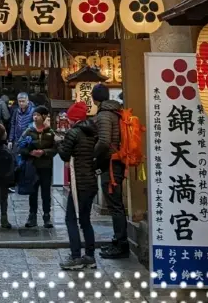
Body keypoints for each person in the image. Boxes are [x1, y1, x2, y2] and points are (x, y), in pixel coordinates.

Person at [57, 101, 99, 270]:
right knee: (85, 220)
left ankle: (75, 256)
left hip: (78, 183)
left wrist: (58, 142)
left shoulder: (73, 133)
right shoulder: (93, 132)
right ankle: (90, 256)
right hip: (90, 181)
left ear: (73, 118)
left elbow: (64, 155)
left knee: (71, 219)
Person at [92, 83, 129, 259]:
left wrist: (94, 157)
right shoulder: (115, 112)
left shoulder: (104, 115)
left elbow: (104, 141)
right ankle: (118, 240)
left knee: (115, 205)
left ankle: (121, 245)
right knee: (116, 204)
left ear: (94, 99)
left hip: (111, 164)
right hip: (116, 162)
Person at [18, 106, 57, 228]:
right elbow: (20, 146)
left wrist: (44, 152)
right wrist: (30, 152)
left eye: (38, 115)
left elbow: (56, 149)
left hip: (46, 166)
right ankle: (32, 216)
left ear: (44, 117)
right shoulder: (29, 131)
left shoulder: (50, 132)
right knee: (33, 192)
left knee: (46, 192)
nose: (35, 117)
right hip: (33, 166)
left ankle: (47, 216)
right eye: (34, 115)